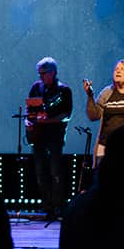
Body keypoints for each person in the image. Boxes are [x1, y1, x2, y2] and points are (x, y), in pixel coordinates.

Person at [26, 56, 73, 222]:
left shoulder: (64, 90)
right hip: (38, 136)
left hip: (55, 136)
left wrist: (48, 120)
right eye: (39, 73)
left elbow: (67, 115)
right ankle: (46, 206)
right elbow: (29, 110)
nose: (40, 76)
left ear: (52, 73)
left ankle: (57, 206)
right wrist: (29, 122)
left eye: (43, 73)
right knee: (40, 172)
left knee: (55, 171)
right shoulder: (36, 87)